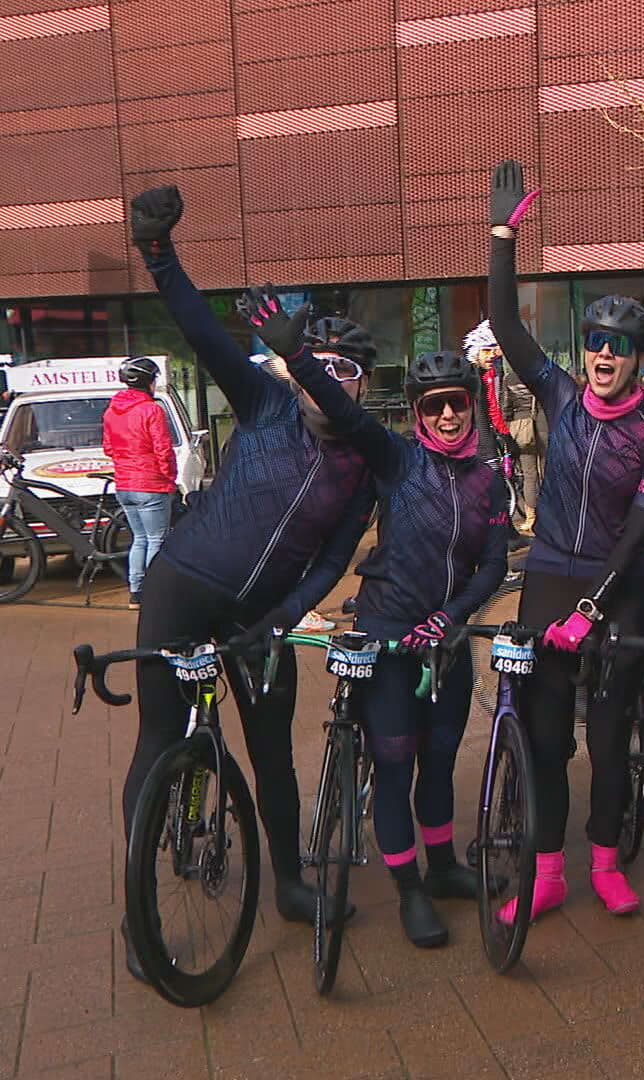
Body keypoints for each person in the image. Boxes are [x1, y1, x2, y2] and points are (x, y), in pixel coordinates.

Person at [119, 185, 377, 982]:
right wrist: (159, 253)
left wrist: (290, 613)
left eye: (348, 369)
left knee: (273, 756)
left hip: (263, 614)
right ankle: (139, 913)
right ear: (298, 373)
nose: (331, 379)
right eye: (320, 364)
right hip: (184, 585)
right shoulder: (265, 402)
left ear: (362, 383)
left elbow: (335, 560)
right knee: (159, 742)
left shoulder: (364, 463)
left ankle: (291, 884)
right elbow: (202, 333)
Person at [249, 291, 510, 948]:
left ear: (471, 405)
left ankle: (445, 865)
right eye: (434, 405)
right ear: (418, 413)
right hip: (389, 638)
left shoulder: (491, 478)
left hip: (444, 642)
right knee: (396, 766)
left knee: (442, 762)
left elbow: (493, 565)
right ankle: (410, 890)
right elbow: (338, 407)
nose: (448, 414)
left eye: (458, 401)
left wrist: (453, 616)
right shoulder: (395, 461)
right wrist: (295, 355)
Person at [484, 161, 644, 921]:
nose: (603, 355)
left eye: (619, 346)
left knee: (607, 741)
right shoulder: (561, 396)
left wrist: (594, 608)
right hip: (547, 582)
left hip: (616, 594)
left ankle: (604, 861)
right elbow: (505, 324)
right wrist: (504, 237)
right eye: (595, 342)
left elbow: (637, 532)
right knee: (543, 739)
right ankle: (547, 873)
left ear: (640, 359)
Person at [100, 355, 177, 608]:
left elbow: (108, 448)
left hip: (124, 484)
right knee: (157, 540)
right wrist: (170, 477)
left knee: (140, 539)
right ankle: (156, 592)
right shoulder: (152, 410)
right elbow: (163, 450)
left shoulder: (112, 411)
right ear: (147, 382)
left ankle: (136, 592)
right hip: (151, 484)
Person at [462, 320, 538, 531]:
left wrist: (505, 436)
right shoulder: (472, 376)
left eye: (496, 349)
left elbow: (492, 410)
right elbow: (480, 414)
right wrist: (490, 444)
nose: (494, 355)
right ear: (475, 350)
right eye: (488, 350)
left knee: (493, 488)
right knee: (492, 487)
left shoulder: (485, 374)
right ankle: (503, 534)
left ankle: (506, 532)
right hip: (479, 442)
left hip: (483, 440)